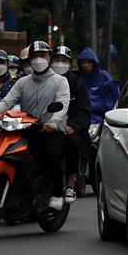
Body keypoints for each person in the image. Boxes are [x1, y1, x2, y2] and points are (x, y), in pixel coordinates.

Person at [0, 41, 71, 209]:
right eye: (35, 56)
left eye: (42, 55)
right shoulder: (23, 82)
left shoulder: (61, 81)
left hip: (51, 130)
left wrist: (53, 122)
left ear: (49, 57)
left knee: (52, 153)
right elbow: (7, 102)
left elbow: (63, 104)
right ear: (30, 59)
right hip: (27, 128)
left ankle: (56, 193)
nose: (38, 59)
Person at [52, 47, 91, 202]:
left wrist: (72, 126)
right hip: (47, 125)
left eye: (64, 61)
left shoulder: (77, 84)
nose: (60, 64)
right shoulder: (43, 80)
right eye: (57, 60)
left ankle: (70, 184)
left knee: (73, 143)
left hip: (70, 129)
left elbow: (84, 110)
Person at [78, 47, 120, 125]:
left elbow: (113, 98)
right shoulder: (78, 79)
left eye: (89, 62)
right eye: (83, 62)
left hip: (102, 120)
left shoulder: (104, 76)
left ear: (94, 63)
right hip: (82, 120)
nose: (86, 65)